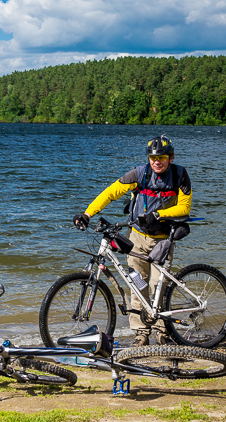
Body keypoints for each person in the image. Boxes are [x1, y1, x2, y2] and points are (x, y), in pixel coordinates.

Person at [73, 135, 192, 346]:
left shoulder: (180, 175)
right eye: (153, 157)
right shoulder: (140, 174)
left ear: (171, 158)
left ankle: (162, 331)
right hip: (137, 238)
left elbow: (184, 207)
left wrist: (158, 215)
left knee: (158, 286)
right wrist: (87, 214)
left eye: (162, 157)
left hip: (164, 240)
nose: (157, 161)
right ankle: (141, 333)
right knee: (137, 284)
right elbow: (111, 192)